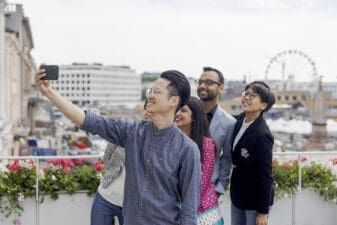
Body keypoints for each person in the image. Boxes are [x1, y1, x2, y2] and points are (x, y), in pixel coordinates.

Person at [35, 68, 201, 225]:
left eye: (156, 92)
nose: (150, 95)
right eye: (150, 91)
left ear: (173, 100)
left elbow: (189, 209)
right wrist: (49, 92)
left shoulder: (187, 149)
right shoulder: (132, 132)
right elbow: (88, 120)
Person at [91, 102, 151, 225]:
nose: (149, 114)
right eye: (147, 110)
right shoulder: (127, 131)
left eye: (153, 111)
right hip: (105, 197)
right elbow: (107, 157)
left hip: (133, 206)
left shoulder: (160, 142)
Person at [230, 81, 275, 225]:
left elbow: (266, 175)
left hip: (255, 203)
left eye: (253, 95)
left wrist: (262, 212)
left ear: (263, 105)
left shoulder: (262, 135)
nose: (247, 98)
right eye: (246, 94)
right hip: (238, 197)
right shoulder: (239, 121)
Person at [175, 96, 224, 225]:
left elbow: (202, 182)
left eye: (183, 110)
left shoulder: (206, 144)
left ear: (194, 116)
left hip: (203, 212)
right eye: (177, 110)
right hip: (180, 208)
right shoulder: (174, 141)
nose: (177, 114)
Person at [196, 66, 236, 194]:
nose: (202, 86)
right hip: (178, 187)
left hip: (209, 189)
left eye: (208, 83)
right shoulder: (184, 114)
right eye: (200, 82)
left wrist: (219, 188)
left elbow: (227, 158)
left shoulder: (229, 122)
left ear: (221, 87)